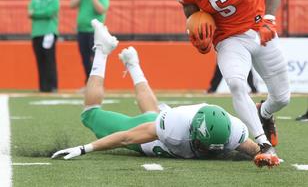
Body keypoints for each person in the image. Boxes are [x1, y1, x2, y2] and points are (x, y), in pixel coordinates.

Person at [52, 20, 279, 168]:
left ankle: (133, 64)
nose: (208, 152)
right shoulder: (173, 128)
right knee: (90, 116)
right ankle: (102, 49)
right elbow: (126, 137)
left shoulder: (235, 131)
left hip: (163, 117)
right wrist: (84, 148)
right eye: (205, 145)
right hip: (155, 133)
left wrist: (266, 154)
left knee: (153, 112)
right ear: (192, 132)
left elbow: (253, 149)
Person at [164, 0, 290, 155]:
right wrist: (200, 37)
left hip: (258, 28)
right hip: (229, 38)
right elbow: (192, 14)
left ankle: (264, 112)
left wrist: (269, 20)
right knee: (235, 83)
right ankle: (264, 145)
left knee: (282, 98)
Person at [70, 0, 110, 81]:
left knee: (95, 59)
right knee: (85, 59)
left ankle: (96, 83)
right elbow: (72, 5)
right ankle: (88, 83)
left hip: (95, 32)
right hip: (82, 31)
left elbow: (101, 10)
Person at [28, 0, 59, 93]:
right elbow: (30, 13)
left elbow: (50, 12)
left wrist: (36, 14)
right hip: (36, 33)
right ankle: (43, 87)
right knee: (40, 60)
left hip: (49, 32)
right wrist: (41, 13)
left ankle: (52, 86)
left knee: (49, 59)